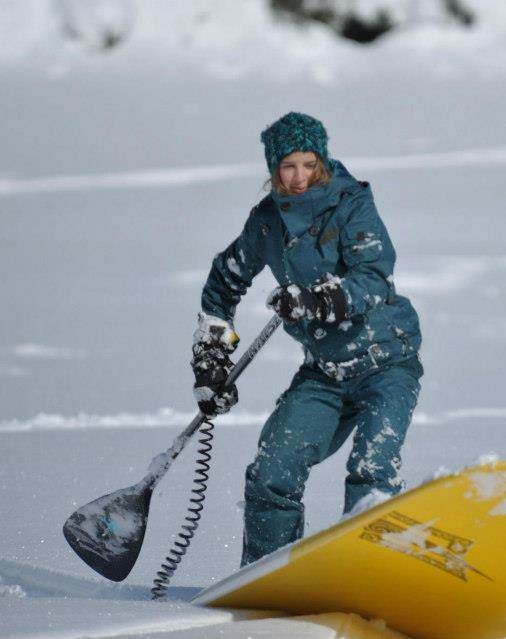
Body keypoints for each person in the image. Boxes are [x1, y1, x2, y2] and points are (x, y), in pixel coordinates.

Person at [191, 112, 423, 565]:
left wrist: (319, 301)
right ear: (273, 169)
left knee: (370, 472)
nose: (299, 177)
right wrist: (211, 357)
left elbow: (373, 276)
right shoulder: (266, 223)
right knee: (272, 471)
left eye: (308, 164)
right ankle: (265, 577)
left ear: (322, 161)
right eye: (288, 166)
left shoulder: (351, 203)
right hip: (326, 373)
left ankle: (374, 571)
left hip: (387, 362)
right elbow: (224, 281)